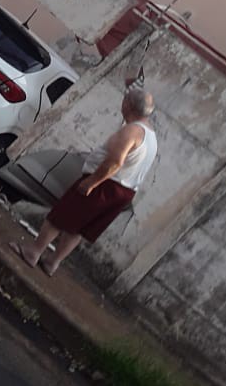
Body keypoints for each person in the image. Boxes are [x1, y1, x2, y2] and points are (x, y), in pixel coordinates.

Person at [11, 83, 157, 276]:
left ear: (128, 104)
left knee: (61, 216)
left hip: (106, 183)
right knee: (78, 228)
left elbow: (115, 162)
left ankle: (33, 252)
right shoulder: (150, 135)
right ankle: (52, 262)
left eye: (124, 99)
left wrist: (91, 182)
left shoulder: (132, 131)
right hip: (125, 191)